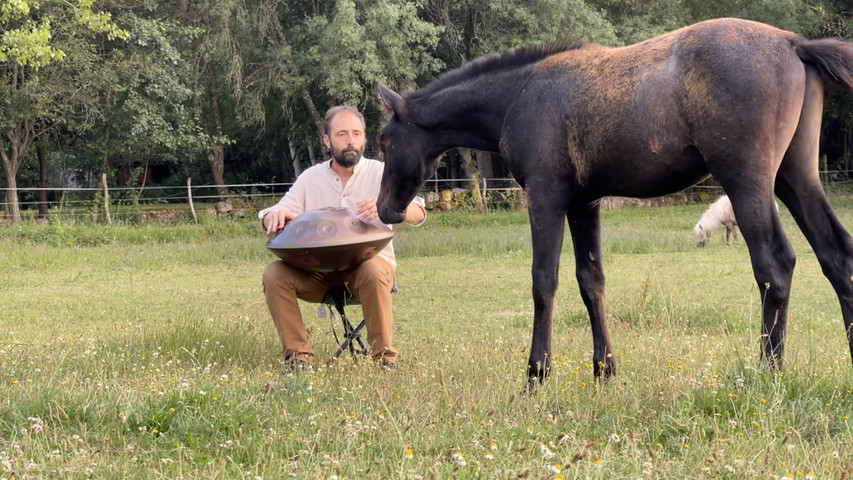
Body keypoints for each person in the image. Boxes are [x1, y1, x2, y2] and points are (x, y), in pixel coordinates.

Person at [260, 105, 426, 373]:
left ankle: (384, 360)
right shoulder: (310, 178)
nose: (350, 140)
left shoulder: (382, 173)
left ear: (364, 138)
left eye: (356, 133)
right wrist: (272, 217)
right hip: (318, 274)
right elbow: (278, 210)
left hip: (367, 270)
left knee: (373, 268)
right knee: (274, 274)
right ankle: (299, 358)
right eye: (342, 134)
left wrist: (391, 205)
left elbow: (419, 213)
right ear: (327, 141)